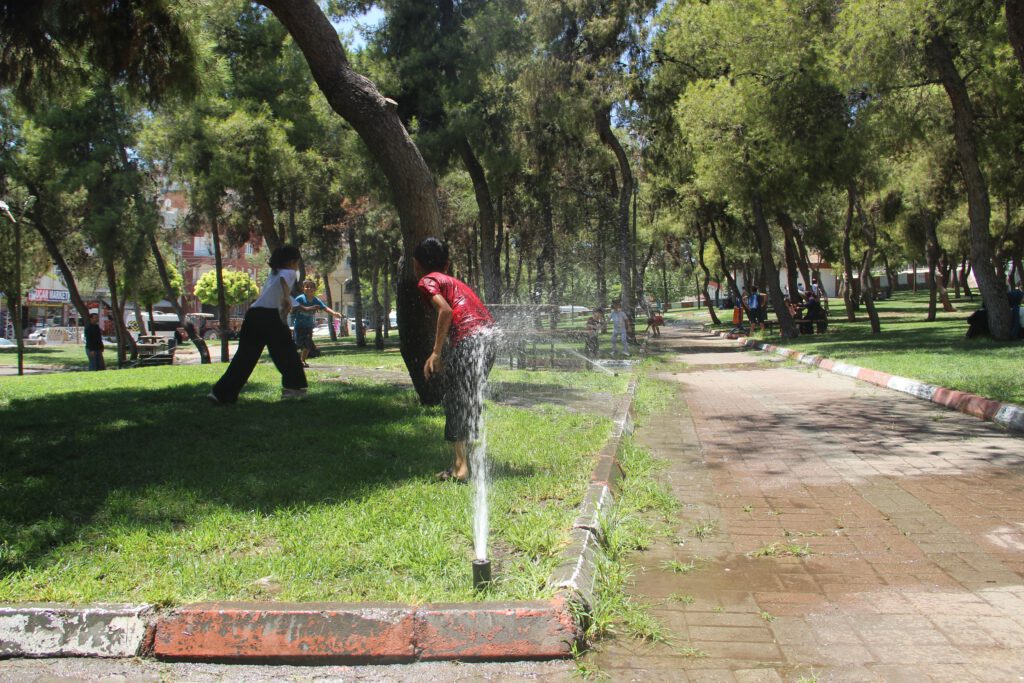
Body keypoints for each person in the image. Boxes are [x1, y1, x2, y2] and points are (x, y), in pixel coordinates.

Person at [415, 237, 496, 483]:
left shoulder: (427, 280)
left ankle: (461, 468)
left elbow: (446, 311)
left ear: (417, 264)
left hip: (470, 340)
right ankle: (464, 462)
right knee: (468, 398)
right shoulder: (455, 281)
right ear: (447, 264)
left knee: (455, 400)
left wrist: (437, 352)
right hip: (490, 339)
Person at [208, 245, 308, 404]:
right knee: (286, 352)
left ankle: (221, 393)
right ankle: (294, 389)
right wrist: (287, 299)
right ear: (292, 261)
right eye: (298, 262)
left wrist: (290, 301)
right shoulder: (289, 272)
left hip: (253, 315)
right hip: (269, 316)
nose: (298, 265)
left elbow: (276, 293)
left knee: (245, 357)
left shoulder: (273, 273)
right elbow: (284, 284)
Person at [292, 279, 343, 368]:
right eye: (307, 286)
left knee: (307, 344)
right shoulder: (300, 298)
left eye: (311, 287)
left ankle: (302, 360)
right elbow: (292, 306)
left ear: (315, 289)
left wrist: (334, 313)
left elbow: (325, 308)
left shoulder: (316, 300)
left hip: (308, 326)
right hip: (299, 326)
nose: (309, 288)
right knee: (299, 343)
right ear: (303, 288)